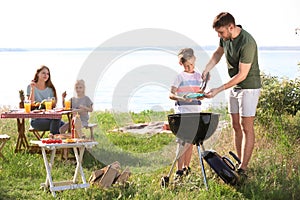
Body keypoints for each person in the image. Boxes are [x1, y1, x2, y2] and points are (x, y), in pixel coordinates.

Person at [203, 12, 261, 179]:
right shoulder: (226, 38)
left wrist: (218, 90)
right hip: (234, 87)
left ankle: (243, 169)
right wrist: (207, 69)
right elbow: (218, 53)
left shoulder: (247, 42)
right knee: (235, 125)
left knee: (246, 127)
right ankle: (239, 160)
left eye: (221, 33)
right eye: (218, 34)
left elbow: (242, 75)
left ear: (231, 27)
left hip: (248, 87)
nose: (220, 36)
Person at [169, 48, 205, 180]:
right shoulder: (179, 77)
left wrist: (201, 96)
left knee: (190, 142)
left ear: (194, 60)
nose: (189, 67)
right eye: (186, 66)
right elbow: (171, 94)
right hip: (182, 114)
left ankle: (186, 168)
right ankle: (179, 171)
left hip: (195, 113)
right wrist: (182, 98)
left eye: (191, 65)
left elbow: (200, 93)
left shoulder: (198, 76)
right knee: (182, 142)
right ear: (181, 64)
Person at [27, 65, 64, 135]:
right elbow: (30, 104)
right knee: (59, 123)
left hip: (49, 118)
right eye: (43, 73)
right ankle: (53, 141)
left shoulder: (50, 89)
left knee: (65, 125)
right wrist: (33, 89)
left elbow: (53, 105)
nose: (46, 75)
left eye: (47, 74)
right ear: (37, 74)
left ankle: (54, 140)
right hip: (36, 121)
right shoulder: (30, 86)